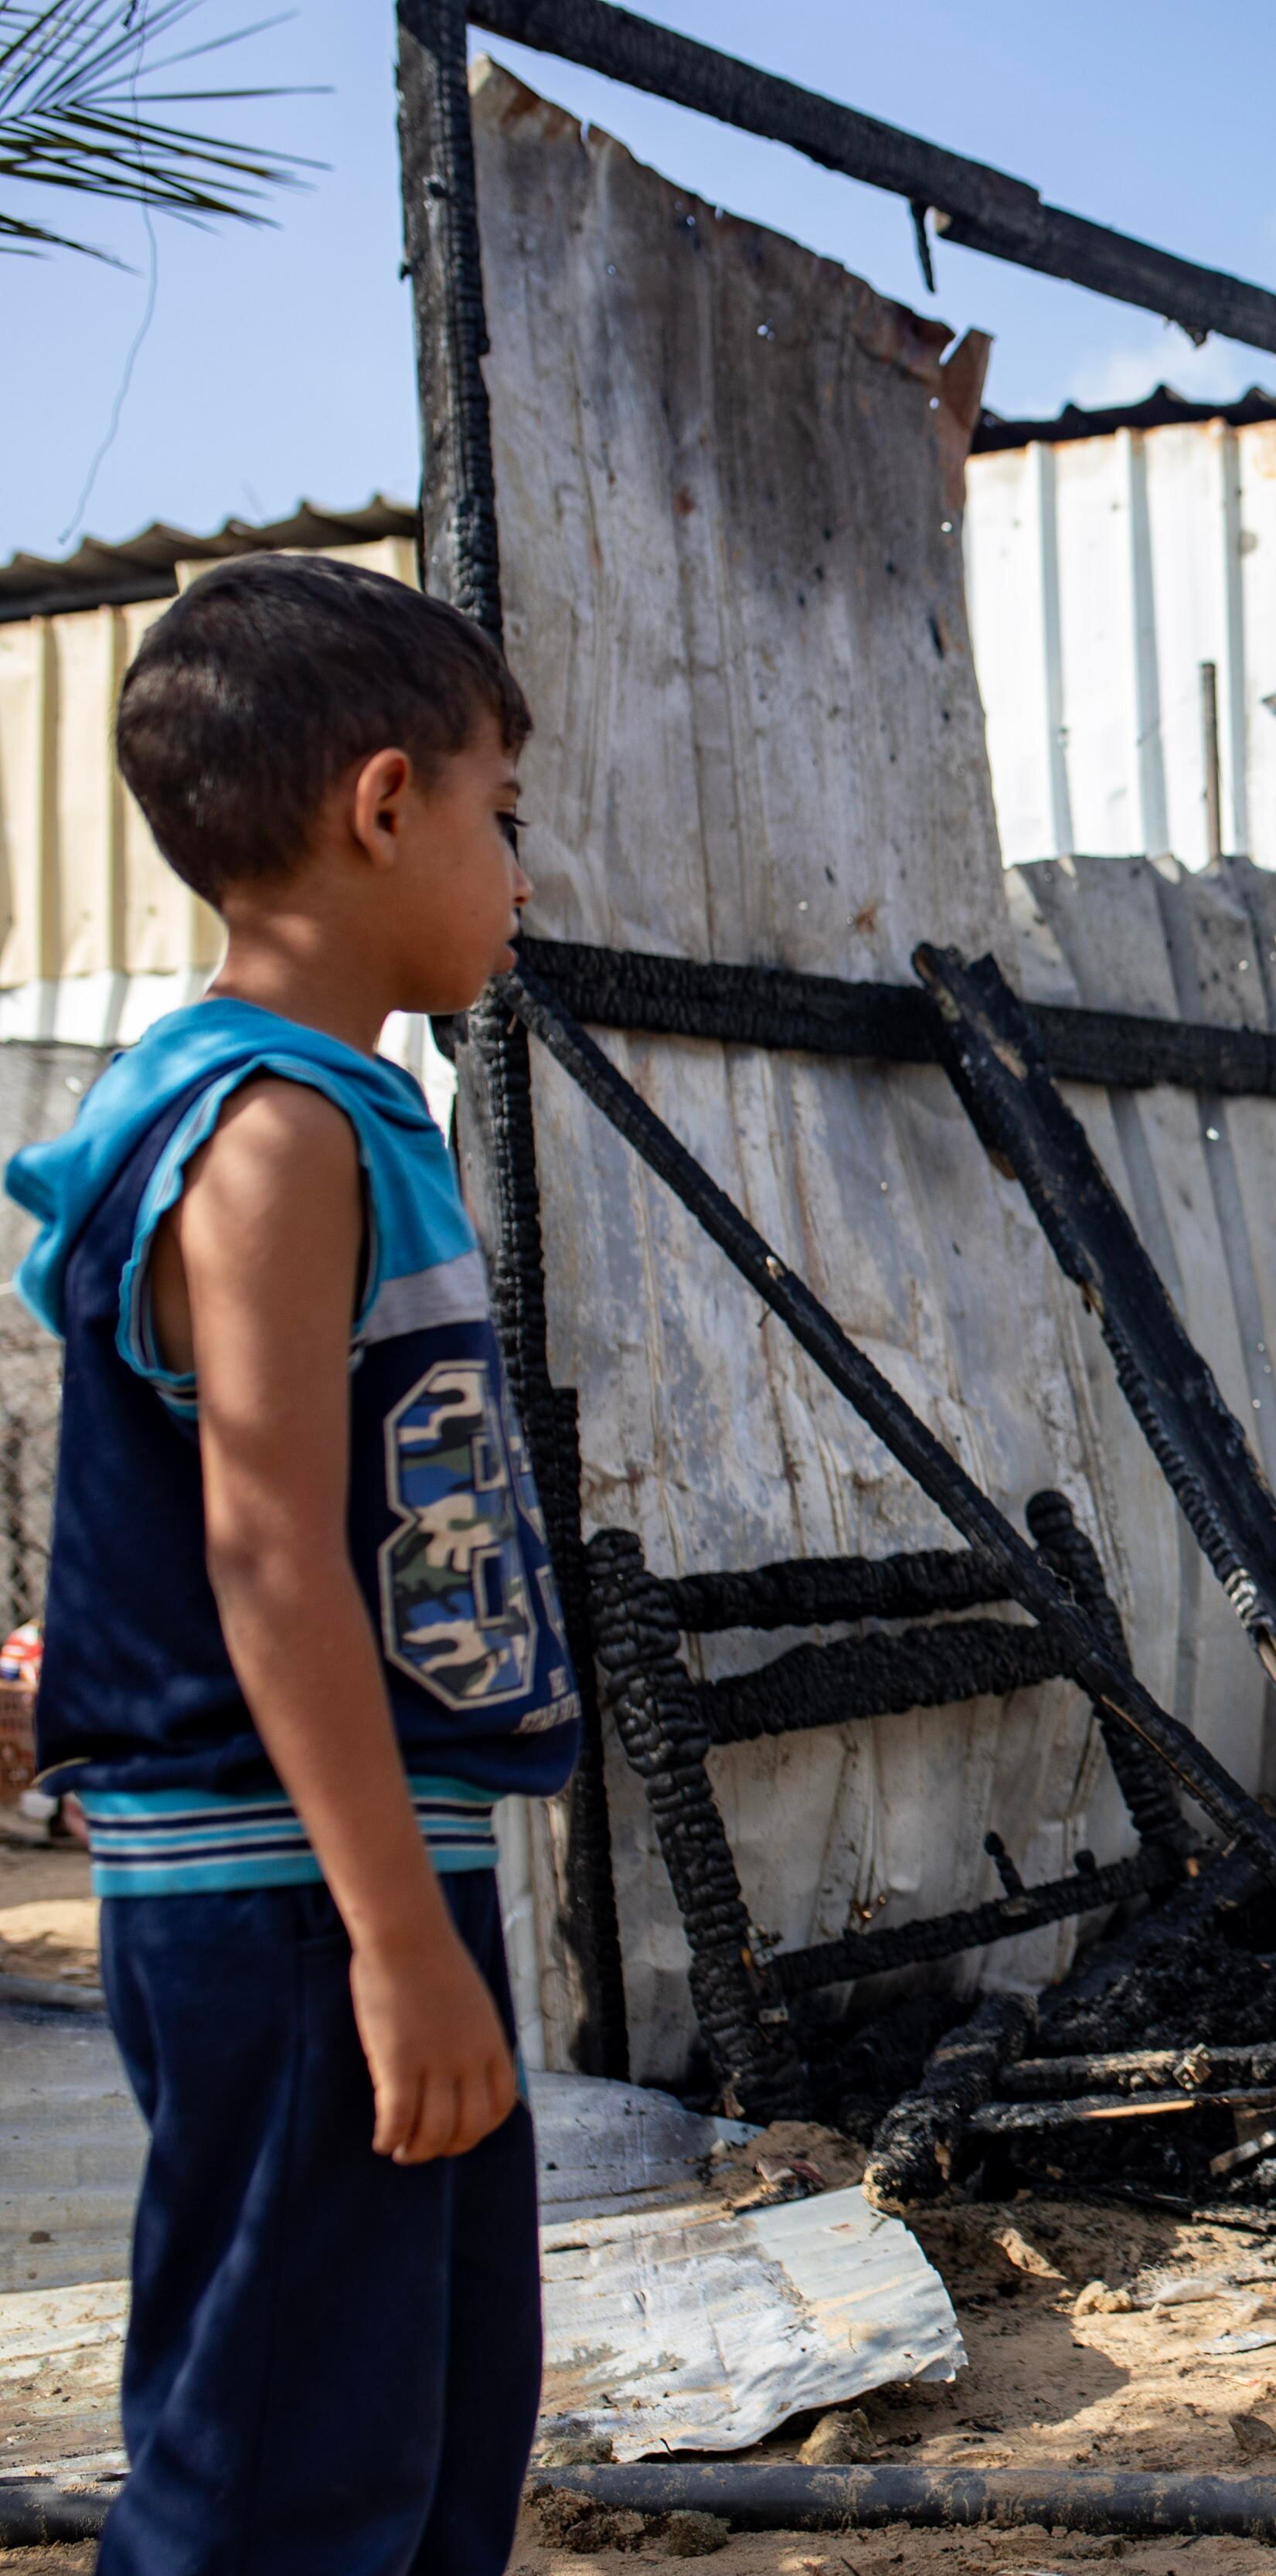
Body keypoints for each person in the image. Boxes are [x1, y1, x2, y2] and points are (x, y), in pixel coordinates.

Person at [9, 556, 575, 2576]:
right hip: (295, 1898)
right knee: (279, 2462)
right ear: (386, 798)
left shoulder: (320, 1107)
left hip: (348, 1867)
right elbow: (268, 1554)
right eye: (506, 816)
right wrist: (398, 1943)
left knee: (427, 2418)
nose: (521, 872)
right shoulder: (268, 1129)